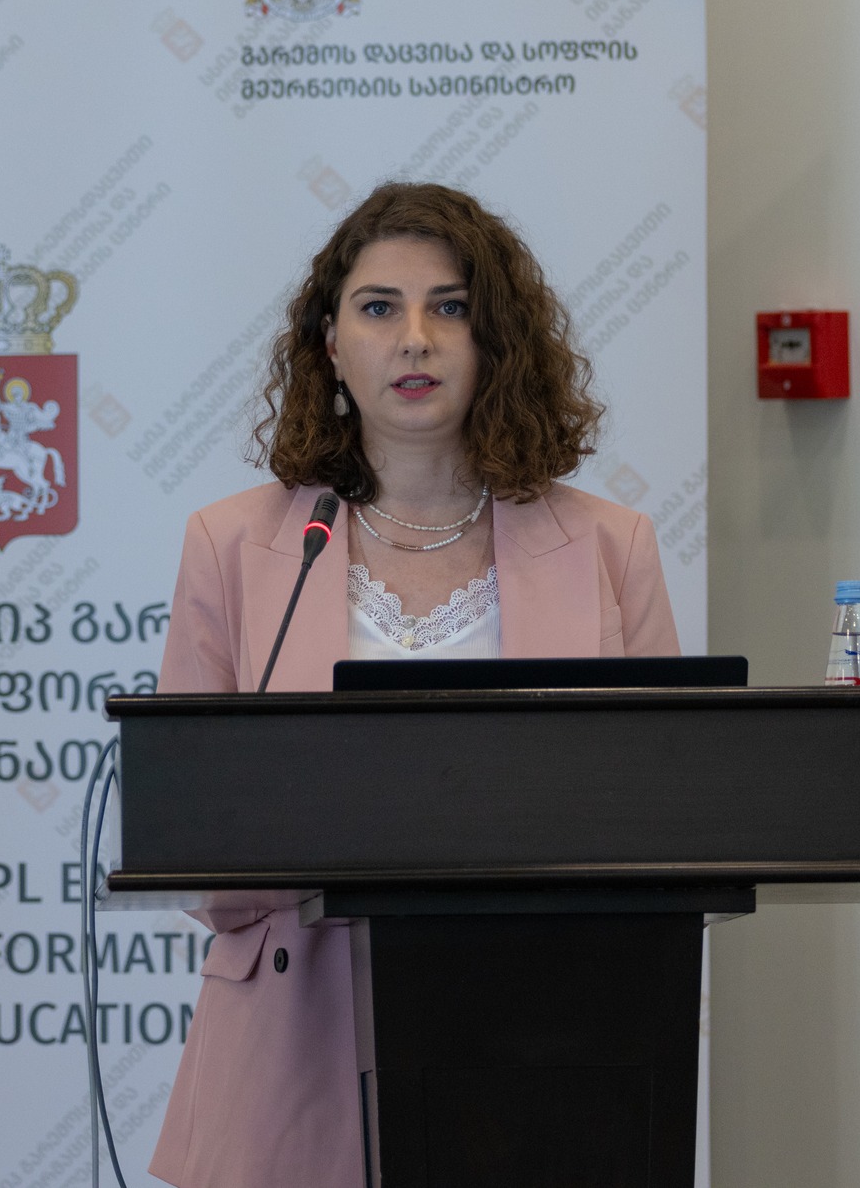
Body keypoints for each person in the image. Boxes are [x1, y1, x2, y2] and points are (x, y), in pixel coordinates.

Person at [145, 182, 680, 1188]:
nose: (415, 338)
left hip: (548, 1032)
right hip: (291, 1039)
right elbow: (191, 835)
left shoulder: (611, 546)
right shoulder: (233, 544)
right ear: (329, 343)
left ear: (496, 341)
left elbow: (665, 812)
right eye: (379, 307)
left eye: (451, 306)